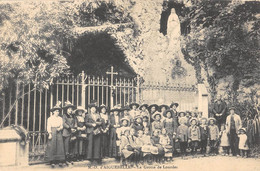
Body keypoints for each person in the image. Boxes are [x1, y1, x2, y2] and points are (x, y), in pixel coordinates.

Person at [45, 102, 65, 168]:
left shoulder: (60, 118)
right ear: (53, 112)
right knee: (52, 145)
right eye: (56, 111)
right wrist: (50, 133)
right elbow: (48, 126)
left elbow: (62, 126)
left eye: (58, 111)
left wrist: (60, 128)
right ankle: (52, 161)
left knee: (59, 145)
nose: (57, 112)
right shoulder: (50, 118)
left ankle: (59, 160)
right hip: (53, 131)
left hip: (59, 132)